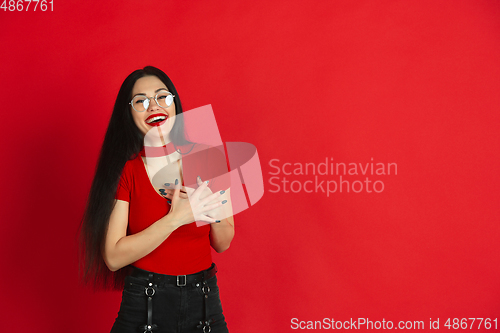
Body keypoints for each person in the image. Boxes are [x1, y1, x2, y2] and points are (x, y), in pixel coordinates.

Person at [79, 66, 234, 333]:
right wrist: (176, 219)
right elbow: (114, 257)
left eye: (162, 97)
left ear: (174, 103)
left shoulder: (209, 158)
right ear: (128, 113)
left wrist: (210, 210)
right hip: (144, 304)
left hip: (205, 302)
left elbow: (223, 242)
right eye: (141, 101)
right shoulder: (125, 170)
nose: (154, 106)